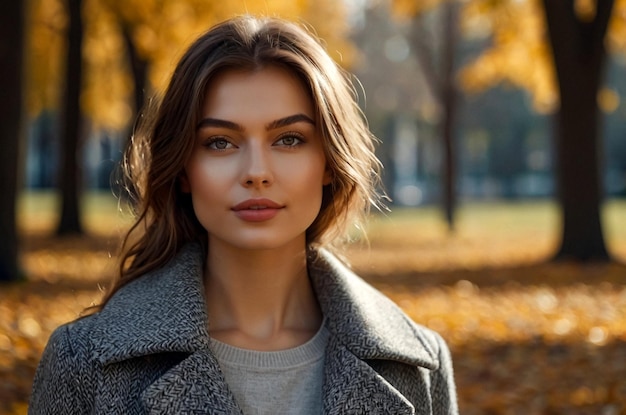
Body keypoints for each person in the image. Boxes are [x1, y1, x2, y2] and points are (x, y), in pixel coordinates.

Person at [29, 15, 458, 414]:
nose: (256, 172)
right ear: (182, 170)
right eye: (220, 142)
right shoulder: (83, 362)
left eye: (289, 139)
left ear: (328, 161)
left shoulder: (420, 363)